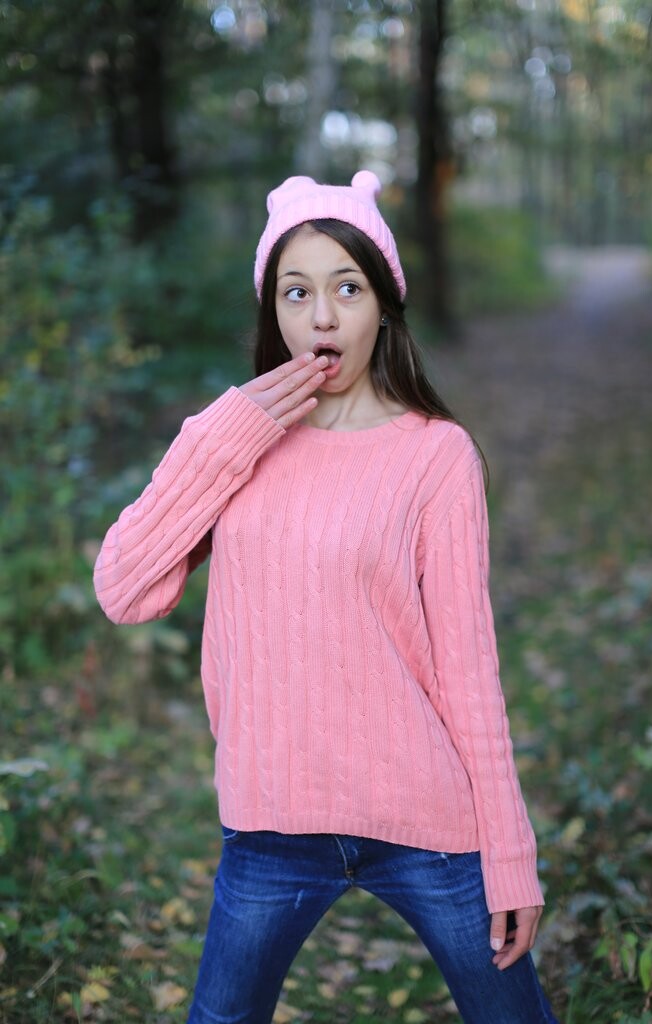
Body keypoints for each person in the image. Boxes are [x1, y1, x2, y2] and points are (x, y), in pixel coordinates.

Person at [94, 170, 557, 1023]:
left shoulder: (436, 456)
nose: (321, 317)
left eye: (347, 288)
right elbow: (124, 589)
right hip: (272, 825)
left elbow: (469, 671)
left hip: (424, 821)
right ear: (271, 309)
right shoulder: (240, 446)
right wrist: (224, 436)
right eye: (295, 291)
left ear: (383, 303)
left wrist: (510, 854)